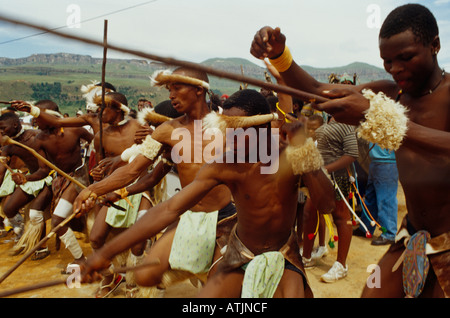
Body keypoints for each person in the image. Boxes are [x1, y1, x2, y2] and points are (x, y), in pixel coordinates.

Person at [250, 3, 449, 297]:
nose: (395, 69)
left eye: (405, 58)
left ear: (435, 45)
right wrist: (281, 57)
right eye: (387, 61)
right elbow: (319, 92)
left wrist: (380, 117)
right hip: (415, 236)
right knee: (372, 294)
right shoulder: (393, 93)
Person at [79, 88, 336, 298]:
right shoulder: (224, 164)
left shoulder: (291, 155)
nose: (229, 140)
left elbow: (326, 205)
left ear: (261, 128)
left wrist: (306, 155)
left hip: (285, 252)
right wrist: (105, 253)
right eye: (226, 130)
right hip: (240, 251)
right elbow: (170, 208)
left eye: (237, 132)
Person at [73, 67, 237, 293]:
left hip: (225, 217)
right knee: (147, 274)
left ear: (199, 90)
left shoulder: (228, 127)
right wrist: (93, 189)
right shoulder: (166, 131)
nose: (171, 95)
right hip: (186, 214)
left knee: (215, 289)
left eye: (177, 88)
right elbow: (133, 170)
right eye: (169, 90)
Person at [11, 100, 94, 267]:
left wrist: (97, 165)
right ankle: (67, 255)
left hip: (79, 177)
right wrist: (26, 178)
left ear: (50, 117)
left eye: (37, 117)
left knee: (57, 222)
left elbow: (97, 142)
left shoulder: (75, 129)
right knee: (44, 216)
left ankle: (80, 260)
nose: (35, 121)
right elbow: (42, 171)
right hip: (59, 180)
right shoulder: (39, 140)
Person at [0, 112, 54, 259]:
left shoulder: (36, 136)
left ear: (15, 125)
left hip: (49, 178)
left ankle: (41, 247)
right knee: (8, 209)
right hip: (30, 180)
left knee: (36, 213)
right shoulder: (8, 146)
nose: (1, 132)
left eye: (3, 128)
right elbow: (1, 170)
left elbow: (48, 164)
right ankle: (24, 233)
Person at [355, 143, 399, 246]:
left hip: (387, 162)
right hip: (376, 161)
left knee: (386, 199)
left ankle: (390, 234)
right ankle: (365, 228)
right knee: (371, 198)